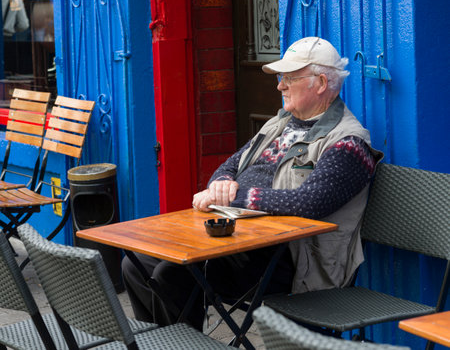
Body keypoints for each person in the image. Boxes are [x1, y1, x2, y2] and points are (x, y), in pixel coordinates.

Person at [122, 36, 383, 331]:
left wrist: (231, 198)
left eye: (289, 78)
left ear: (321, 83)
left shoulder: (348, 142)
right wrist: (220, 183)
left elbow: (308, 203)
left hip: (291, 260)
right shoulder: (280, 122)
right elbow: (231, 164)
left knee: (173, 273)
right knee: (136, 264)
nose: (279, 86)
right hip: (243, 242)